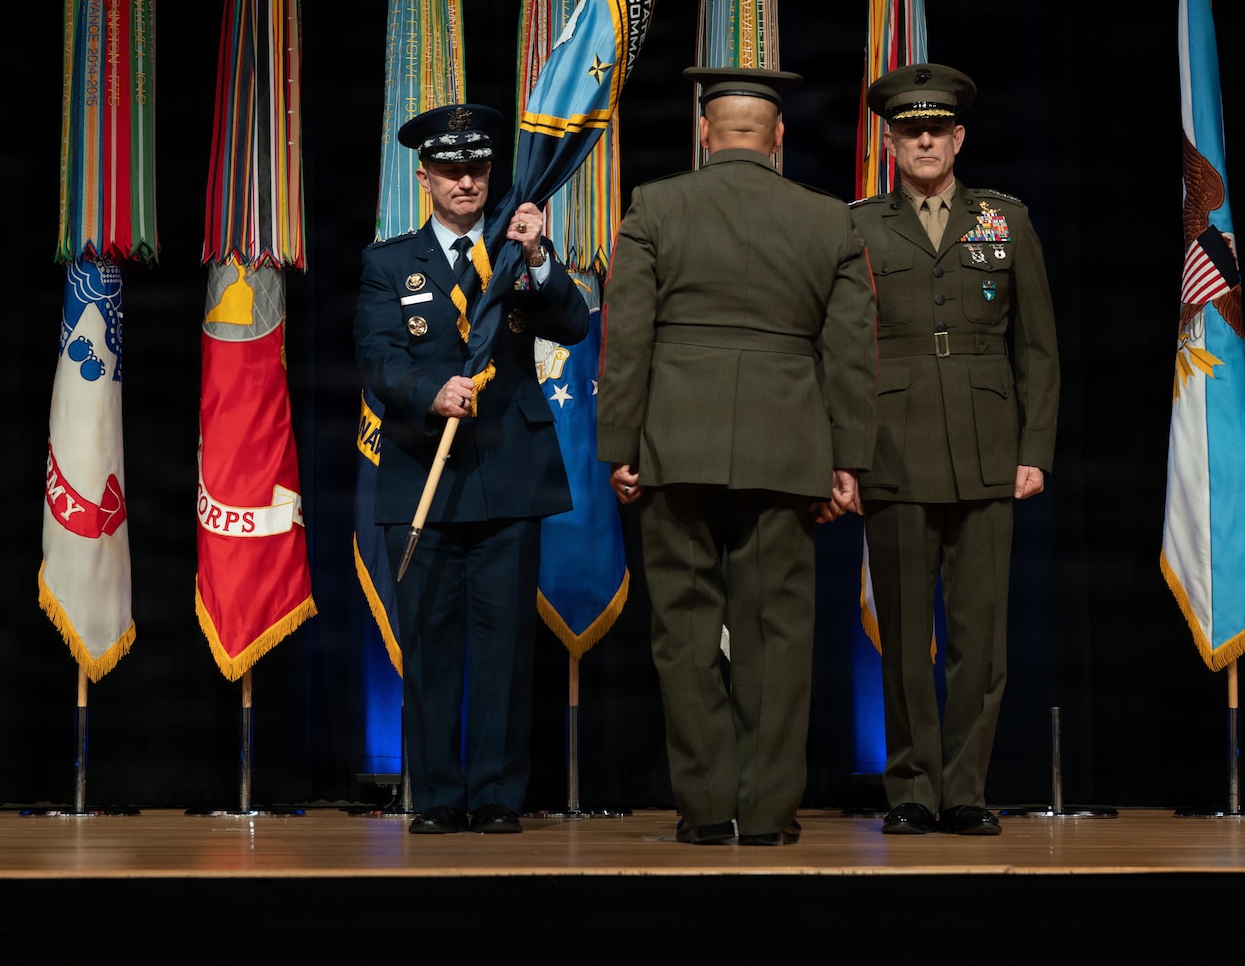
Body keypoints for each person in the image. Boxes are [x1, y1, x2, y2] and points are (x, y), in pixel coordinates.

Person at [597, 66, 877, 846]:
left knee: (684, 637)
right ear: (778, 136)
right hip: (787, 449)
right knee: (777, 637)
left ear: (704, 133)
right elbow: (851, 354)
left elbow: (628, 343)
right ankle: (766, 813)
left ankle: (706, 808)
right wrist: (848, 458)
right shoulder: (829, 221)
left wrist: (618, 446)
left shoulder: (655, 205)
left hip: (674, 447)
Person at [354, 103, 589, 835]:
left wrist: (542, 256)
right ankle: (435, 796)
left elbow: (574, 325)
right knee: (429, 645)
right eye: (451, 169)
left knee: (504, 650)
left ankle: (494, 797)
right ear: (423, 177)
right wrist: (431, 390)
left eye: (478, 168)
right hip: (422, 474)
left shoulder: (515, 251)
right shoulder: (389, 262)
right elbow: (377, 358)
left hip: (508, 473)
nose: (466, 180)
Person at [850, 63, 1059, 836]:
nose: (925, 139)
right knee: (904, 637)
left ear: (959, 137)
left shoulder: (1004, 221)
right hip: (892, 449)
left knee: (980, 637)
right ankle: (910, 788)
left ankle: (965, 788)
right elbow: (841, 347)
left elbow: (1038, 346)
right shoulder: (860, 225)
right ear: (892, 140)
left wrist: (1034, 447)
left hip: (985, 451)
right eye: (911, 129)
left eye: (937, 128)